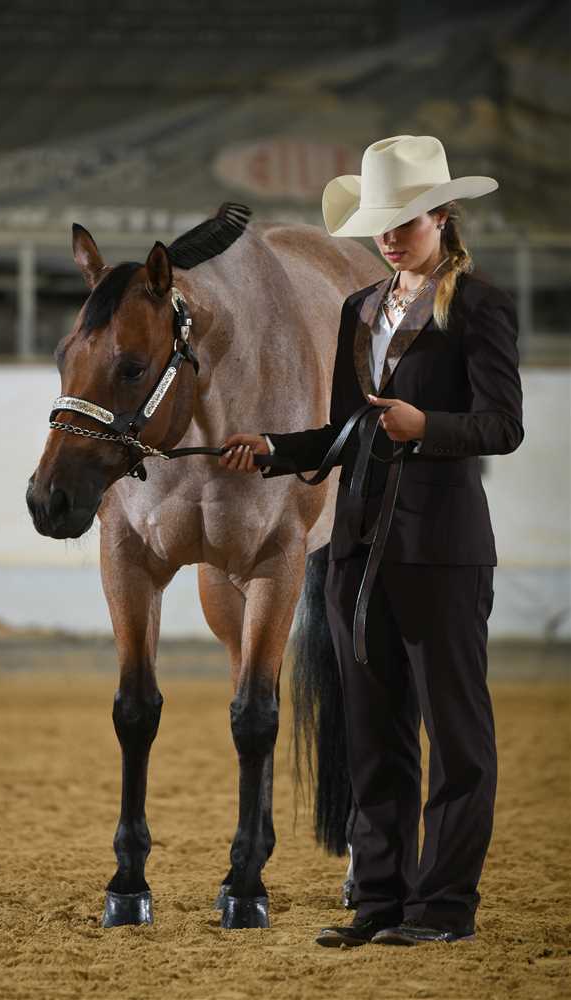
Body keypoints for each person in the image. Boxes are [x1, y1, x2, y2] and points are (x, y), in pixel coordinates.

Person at [218, 135, 524, 947]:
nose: (388, 236)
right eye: (379, 223)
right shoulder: (360, 309)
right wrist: (275, 448)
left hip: (441, 549)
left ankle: (444, 908)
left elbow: (503, 426)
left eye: (405, 221)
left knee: (456, 738)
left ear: (443, 216)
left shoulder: (479, 307)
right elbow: (346, 431)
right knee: (372, 731)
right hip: (356, 548)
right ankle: (381, 901)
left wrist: (429, 426)